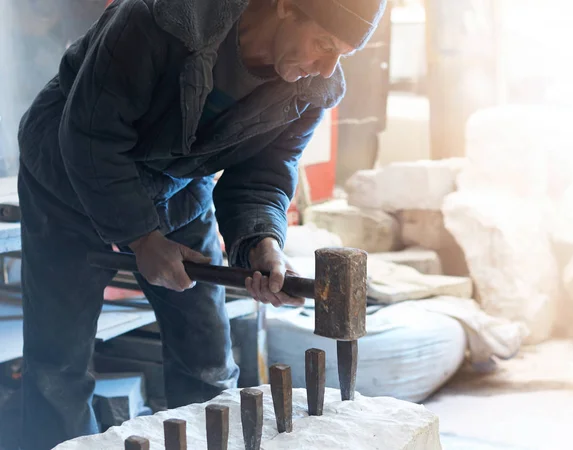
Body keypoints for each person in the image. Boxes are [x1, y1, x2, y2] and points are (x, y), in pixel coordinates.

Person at [16, 0, 385, 448]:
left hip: (176, 188)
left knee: (207, 360)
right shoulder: (162, 19)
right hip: (66, 173)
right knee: (57, 367)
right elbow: (92, 136)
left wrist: (262, 241)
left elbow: (264, 174)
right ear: (286, 6)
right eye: (323, 44)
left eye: (340, 55)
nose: (327, 69)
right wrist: (142, 239)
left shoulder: (312, 90)